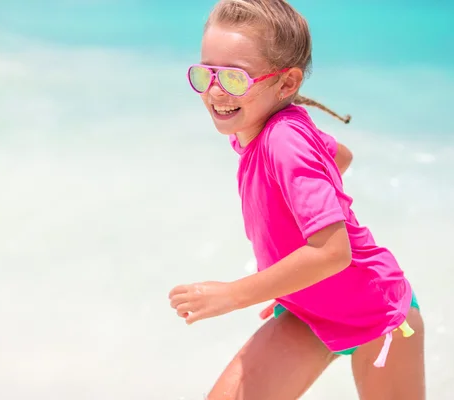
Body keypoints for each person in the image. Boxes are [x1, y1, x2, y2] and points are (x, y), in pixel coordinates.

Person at [168, 1, 425, 399]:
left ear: (287, 84)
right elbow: (340, 156)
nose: (216, 90)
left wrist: (234, 294)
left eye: (235, 78)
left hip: (379, 314)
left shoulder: (284, 141)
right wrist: (294, 282)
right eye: (206, 73)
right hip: (310, 310)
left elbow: (333, 253)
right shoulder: (260, 128)